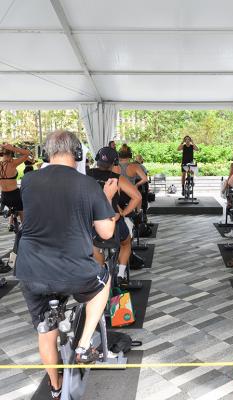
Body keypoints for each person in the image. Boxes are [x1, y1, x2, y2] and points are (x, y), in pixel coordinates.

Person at [16, 131, 117, 399]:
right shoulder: (87, 185)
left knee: (45, 332)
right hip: (72, 271)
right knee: (104, 280)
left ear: (47, 154)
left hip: (31, 271)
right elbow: (106, 233)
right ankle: (83, 346)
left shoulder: (28, 180)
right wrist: (107, 197)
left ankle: (55, 387)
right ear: (78, 153)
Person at [88, 147, 142, 288]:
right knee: (126, 243)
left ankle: (101, 274)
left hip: (93, 223)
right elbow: (137, 197)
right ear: (115, 162)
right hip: (114, 221)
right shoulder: (117, 178)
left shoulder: (85, 176)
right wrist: (124, 213)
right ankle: (120, 274)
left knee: (94, 247)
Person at [0, 143, 31, 231]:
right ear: (12, 153)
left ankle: (11, 222)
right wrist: (14, 148)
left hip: (4, 196)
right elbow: (27, 153)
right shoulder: (13, 163)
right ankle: (25, 230)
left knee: (12, 207)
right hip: (14, 194)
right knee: (22, 212)